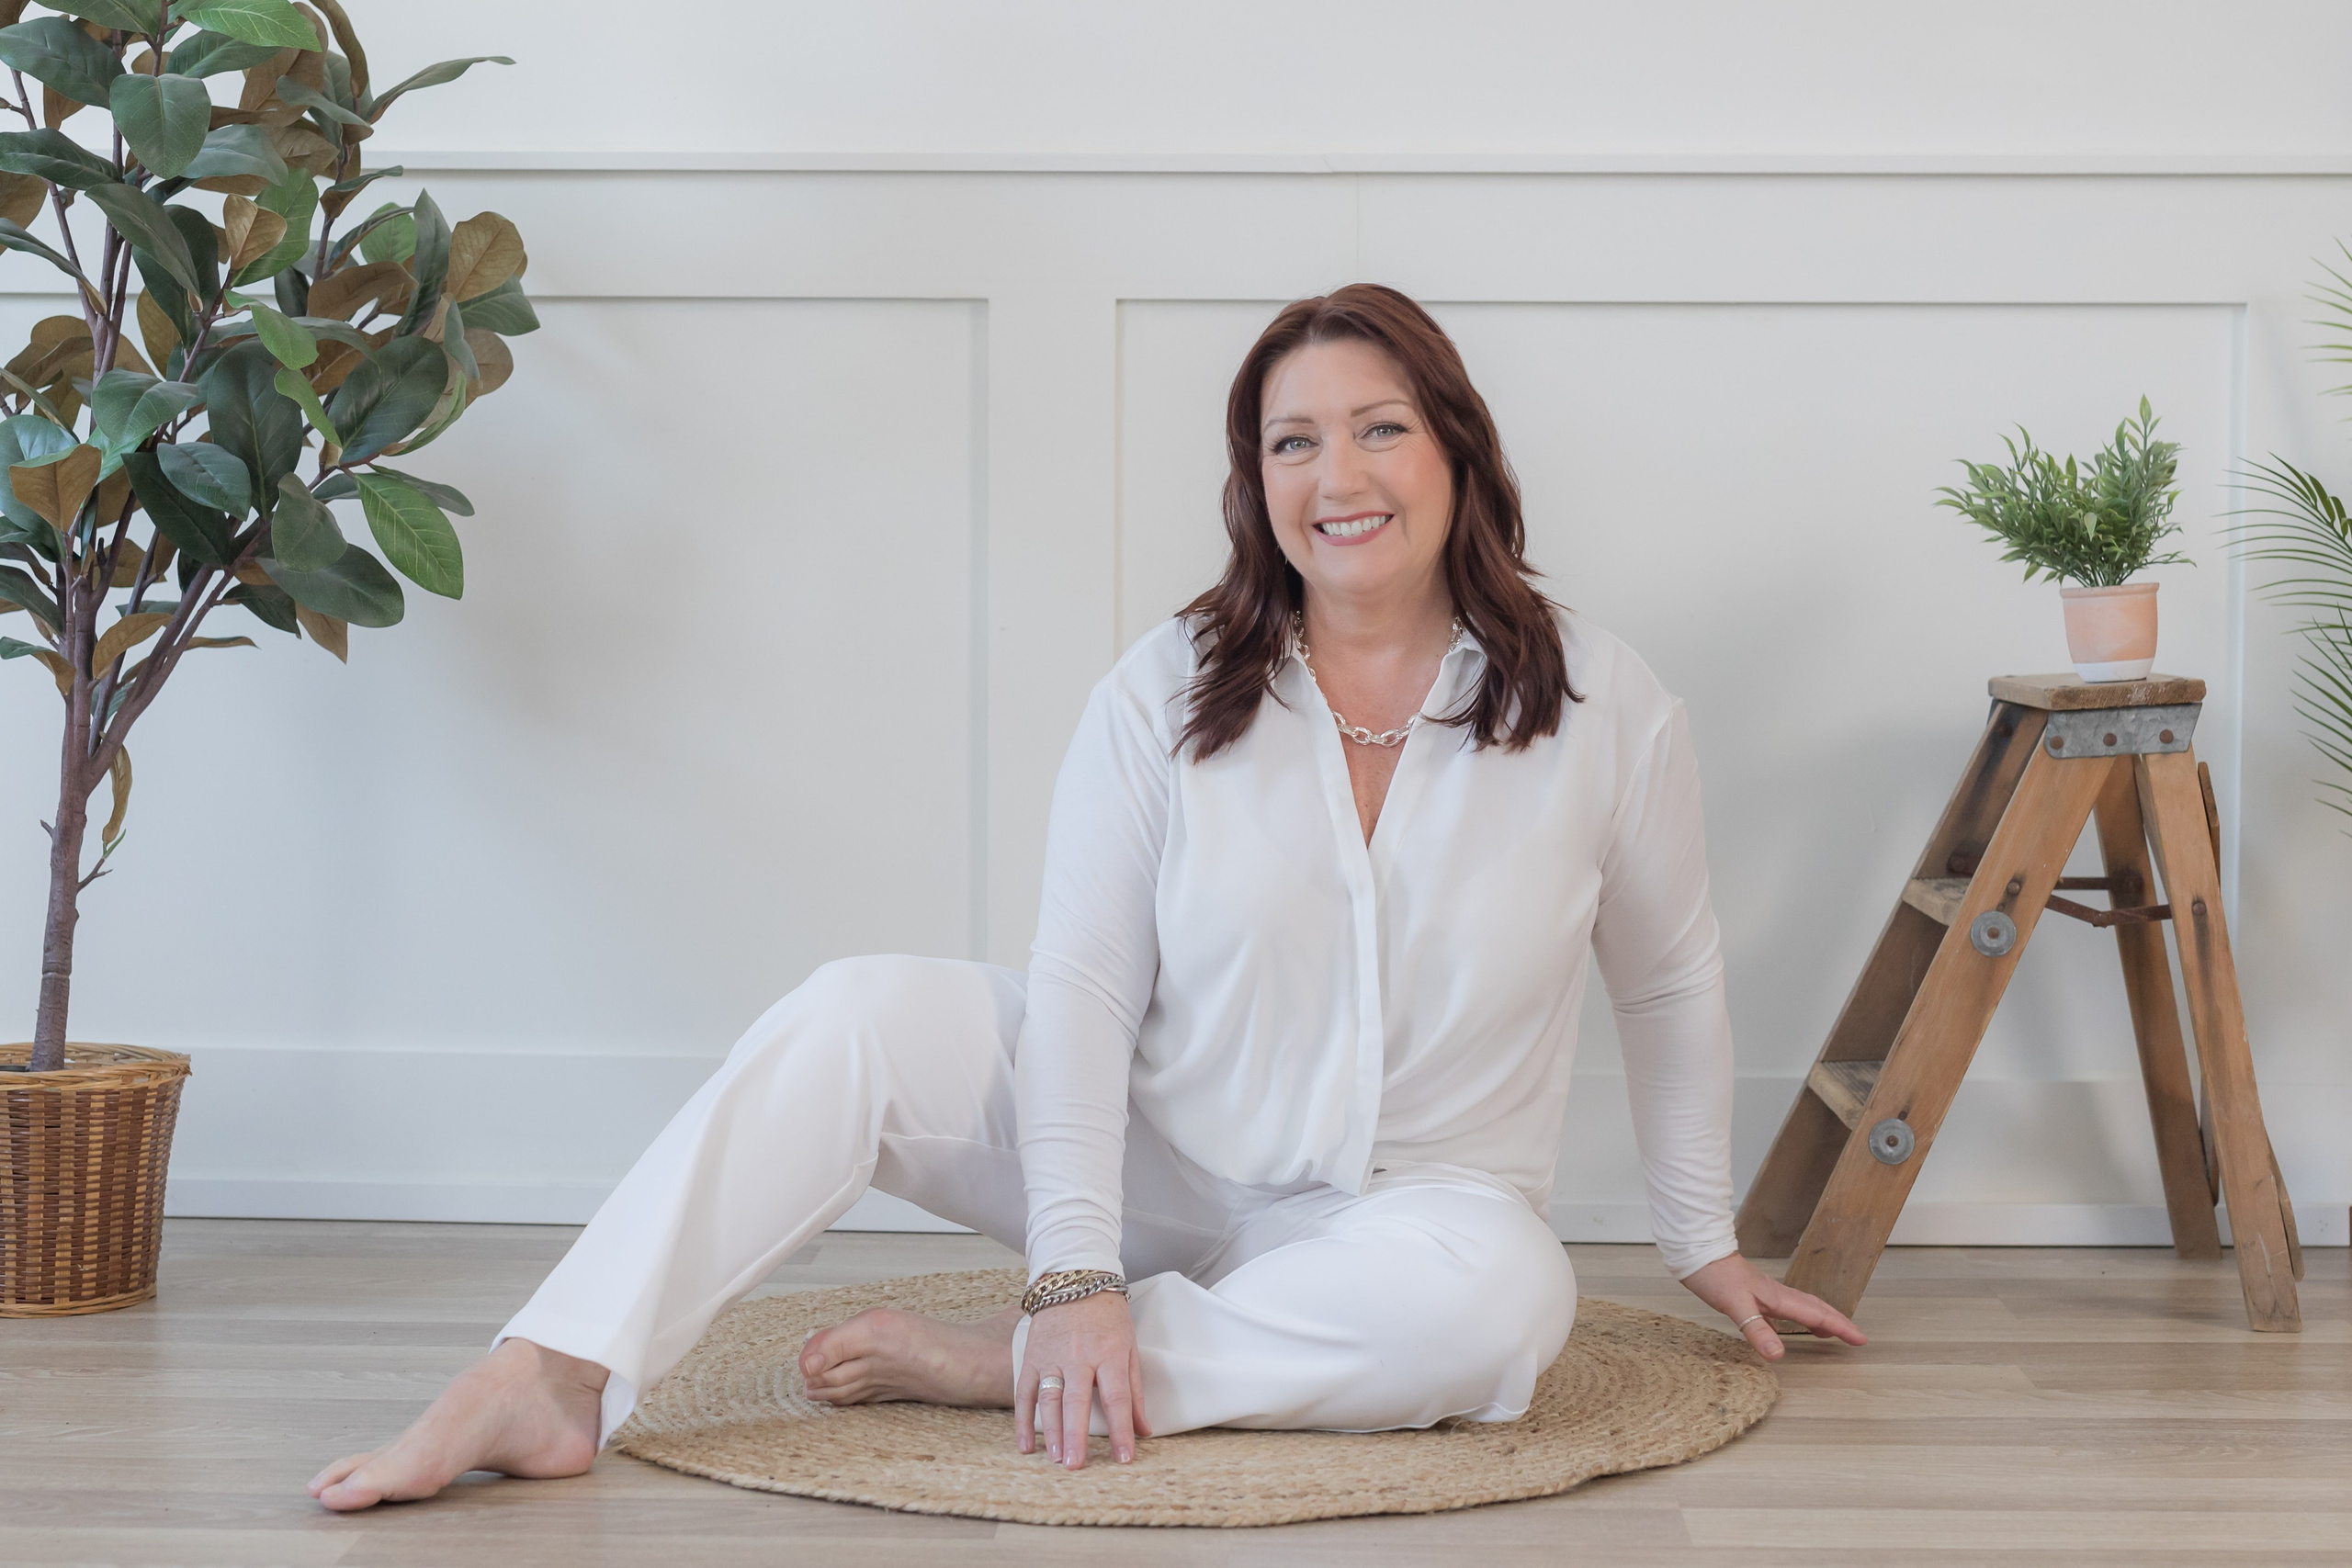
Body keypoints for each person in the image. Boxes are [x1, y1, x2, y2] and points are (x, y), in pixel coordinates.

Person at [309, 283, 1864, 1512]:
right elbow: (1084, 994)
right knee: (855, 1010)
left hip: (1421, 1217)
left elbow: (1666, 982)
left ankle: (1020, 1369)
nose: (1340, 476)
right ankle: (550, 1373)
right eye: (1292, 442)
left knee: (1505, 1316)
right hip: (1164, 1166)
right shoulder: (1168, 692)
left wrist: (1695, 1242)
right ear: (1256, 484)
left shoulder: (1605, 702)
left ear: (1458, 451)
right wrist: (1075, 1268)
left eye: (1380, 429)